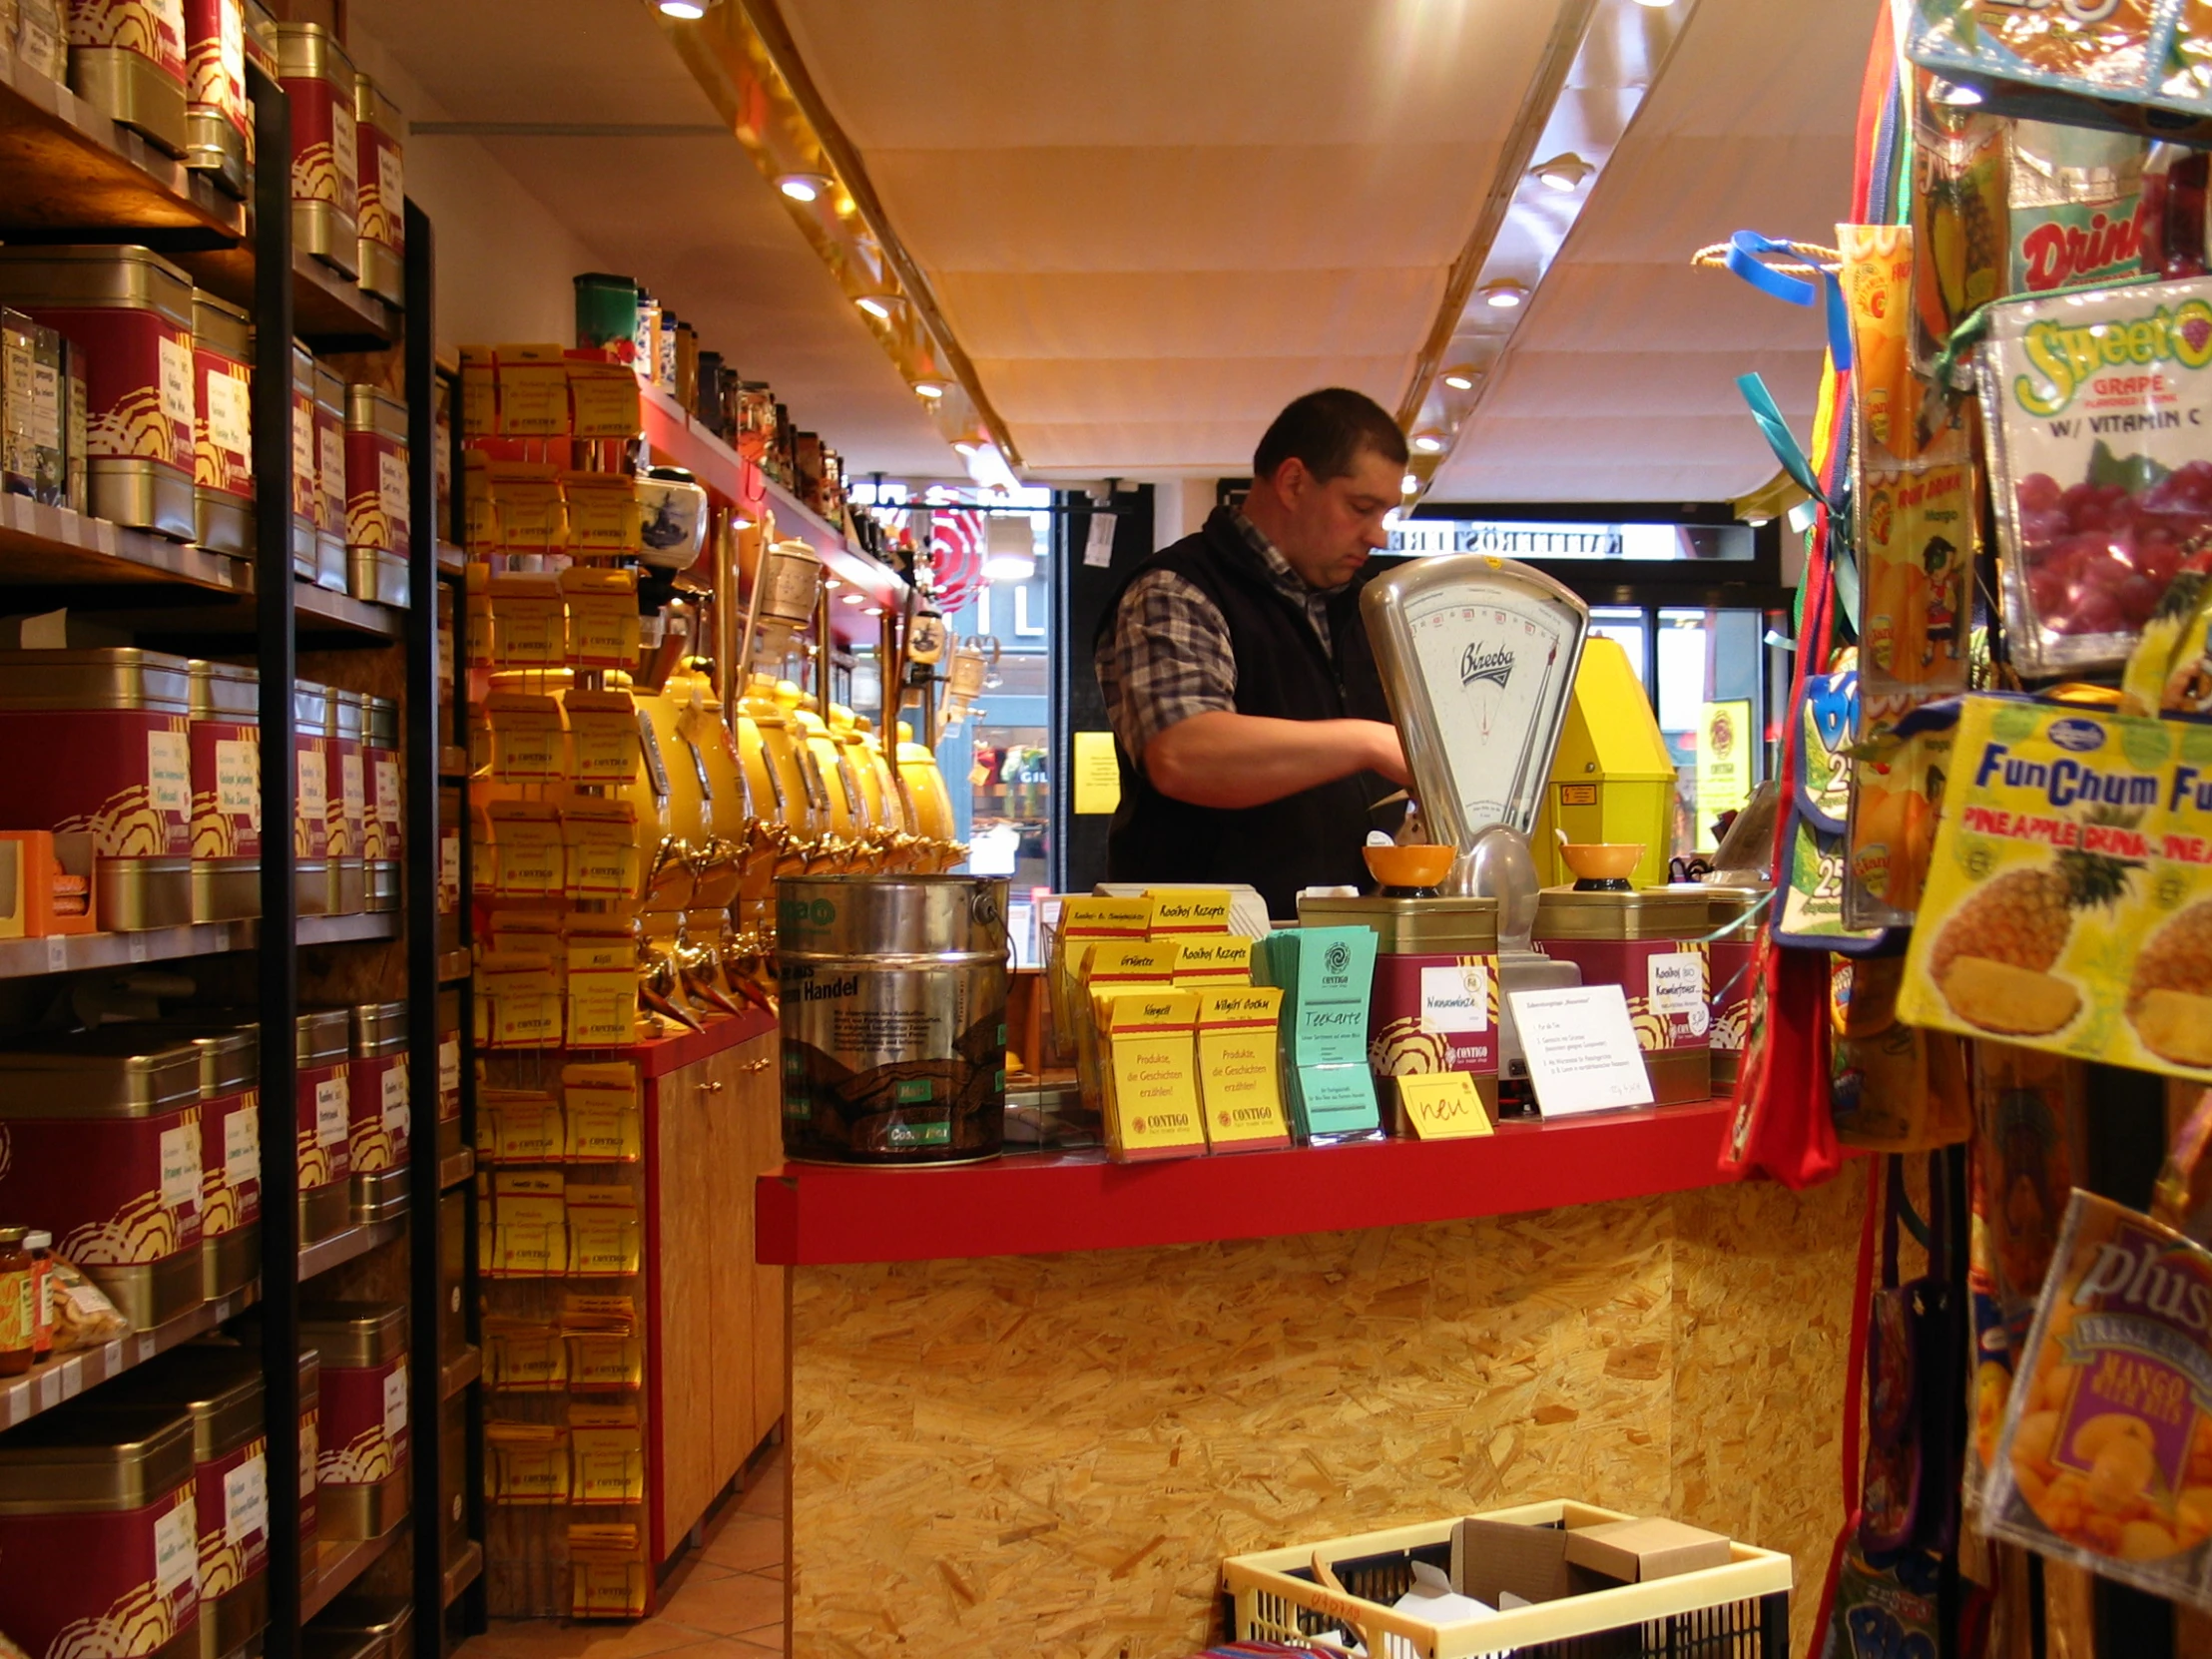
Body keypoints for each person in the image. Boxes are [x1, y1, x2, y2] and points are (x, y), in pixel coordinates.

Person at [1095, 386, 1413, 918]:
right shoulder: (1176, 589)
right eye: (1361, 508)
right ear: (1293, 482)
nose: (1377, 534)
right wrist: (1368, 742)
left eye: (1386, 512)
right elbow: (1183, 753)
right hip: (1204, 963)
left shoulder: (1368, 611)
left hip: (1345, 954)